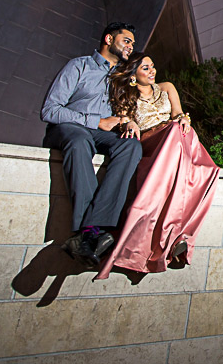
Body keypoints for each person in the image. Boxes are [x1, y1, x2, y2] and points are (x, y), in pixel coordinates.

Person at [94, 52, 220, 280]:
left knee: (184, 132)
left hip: (175, 139)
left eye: (153, 66)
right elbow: (123, 119)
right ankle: (171, 236)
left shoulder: (167, 87)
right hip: (150, 142)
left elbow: (178, 113)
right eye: (145, 68)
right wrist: (129, 121)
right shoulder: (126, 94)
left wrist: (183, 118)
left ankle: (177, 237)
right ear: (133, 76)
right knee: (175, 133)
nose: (152, 71)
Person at [40, 22, 143, 268]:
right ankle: (91, 231)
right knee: (79, 139)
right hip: (68, 129)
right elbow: (50, 110)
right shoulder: (79, 65)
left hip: (102, 134)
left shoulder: (123, 76)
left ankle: (94, 227)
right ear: (109, 39)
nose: (131, 46)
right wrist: (96, 121)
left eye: (132, 43)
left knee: (131, 146)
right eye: (126, 40)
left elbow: (128, 108)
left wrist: (129, 122)